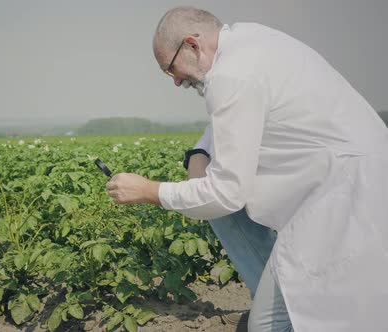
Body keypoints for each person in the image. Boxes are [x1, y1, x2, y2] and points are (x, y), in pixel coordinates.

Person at [105, 6, 388, 332]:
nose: (177, 81)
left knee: (270, 324)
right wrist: (198, 152)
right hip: (353, 181)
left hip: (343, 198)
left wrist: (150, 191)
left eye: (171, 69)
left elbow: (225, 194)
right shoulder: (248, 43)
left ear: (192, 45)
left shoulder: (231, 76)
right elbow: (230, 123)